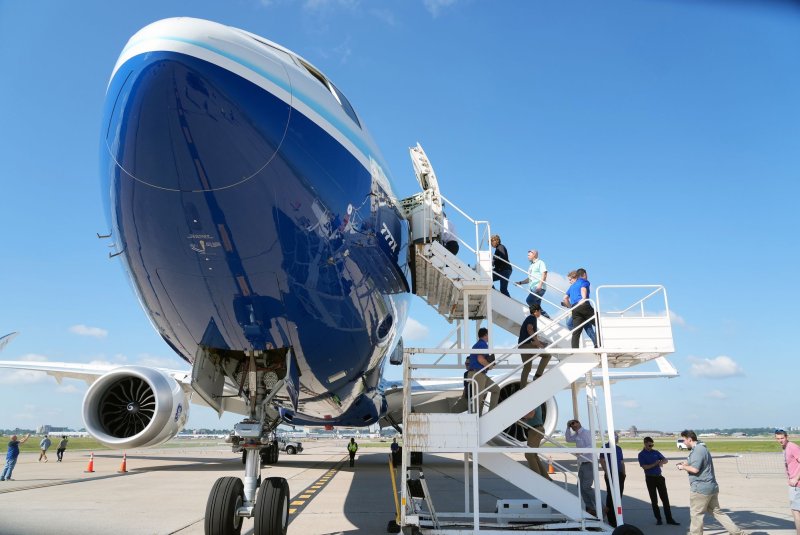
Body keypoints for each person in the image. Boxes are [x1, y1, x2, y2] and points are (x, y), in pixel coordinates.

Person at [677, 430, 746, 535]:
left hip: (700, 489)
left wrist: (682, 467)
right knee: (717, 512)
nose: (683, 442)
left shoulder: (697, 450)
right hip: (711, 487)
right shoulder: (701, 448)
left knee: (696, 514)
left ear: (689, 439)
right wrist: (687, 463)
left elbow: (695, 469)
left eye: (684, 440)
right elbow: (697, 463)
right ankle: (737, 532)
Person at [637, 437, 679, 526]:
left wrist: (661, 462)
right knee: (654, 500)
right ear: (645, 444)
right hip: (650, 478)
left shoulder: (656, 452)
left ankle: (669, 518)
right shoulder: (641, 454)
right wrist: (655, 464)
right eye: (649, 445)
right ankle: (658, 519)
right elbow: (645, 467)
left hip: (659, 478)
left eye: (652, 445)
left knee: (665, 499)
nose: (651, 446)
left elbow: (665, 460)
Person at [565, 419, 597, 517]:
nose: (573, 425)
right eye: (571, 425)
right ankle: (590, 507)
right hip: (582, 463)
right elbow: (568, 439)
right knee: (580, 487)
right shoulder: (577, 435)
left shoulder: (586, 433)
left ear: (579, 423)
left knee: (586, 487)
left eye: (574, 423)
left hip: (589, 462)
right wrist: (567, 427)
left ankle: (601, 506)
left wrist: (581, 452)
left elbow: (591, 445)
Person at [466, 328, 500, 415]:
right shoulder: (482, 344)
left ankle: (490, 414)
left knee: (496, 389)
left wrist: (488, 365)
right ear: (485, 335)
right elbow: (480, 359)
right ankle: (475, 419)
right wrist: (490, 365)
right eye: (488, 334)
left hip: (478, 373)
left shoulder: (478, 344)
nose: (489, 337)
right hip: (478, 374)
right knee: (478, 399)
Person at [564, 267, 597, 348]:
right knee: (599, 323)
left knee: (576, 331)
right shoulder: (584, 281)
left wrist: (570, 306)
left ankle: (574, 350)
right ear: (584, 274)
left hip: (575, 308)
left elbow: (565, 297)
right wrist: (583, 298)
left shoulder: (572, 286)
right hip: (583, 305)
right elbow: (583, 289)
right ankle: (598, 344)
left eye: (570, 279)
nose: (569, 281)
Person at [775, 429, 800, 534]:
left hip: (797, 484)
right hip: (793, 483)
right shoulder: (785, 447)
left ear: (787, 437)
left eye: (782, 438)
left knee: (795, 511)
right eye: (778, 439)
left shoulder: (792, 447)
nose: (780, 440)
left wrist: (796, 478)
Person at [600, 433, 626, 528]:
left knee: (618, 496)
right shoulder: (605, 447)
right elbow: (602, 460)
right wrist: (607, 472)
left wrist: (624, 473)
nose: (617, 438)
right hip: (610, 474)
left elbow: (622, 462)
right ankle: (612, 519)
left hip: (619, 474)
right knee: (611, 496)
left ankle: (617, 517)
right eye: (615, 437)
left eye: (617, 437)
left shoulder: (618, 448)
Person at [518, 305, 547, 388]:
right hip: (527, 346)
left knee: (527, 368)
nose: (540, 313)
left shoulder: (529, 318)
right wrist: (538, 343)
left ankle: (522, 388)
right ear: (536, 311)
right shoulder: (532, 318)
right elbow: (529, 329)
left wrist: (540, 342)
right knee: (547, 355)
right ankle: (538, 375)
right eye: (540, 311)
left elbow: (529, 337)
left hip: (522, 346)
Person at [515, 250, 549, 317]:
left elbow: (544, 274)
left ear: (534, 255)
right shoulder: (531, 266)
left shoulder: (540, 262)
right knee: (536, 306)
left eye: (529, 255)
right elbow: (530, 279)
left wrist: (540, 285)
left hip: (538, 287)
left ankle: (544, 314)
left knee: (529, 300)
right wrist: (520, 282)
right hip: (533, 287)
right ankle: (544, 316)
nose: (528, 257)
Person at [522, 403, 550, 479]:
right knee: (534, 455)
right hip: (534, 430)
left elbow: (530, 415)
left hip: (536, 430)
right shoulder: (535, 403)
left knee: (529, 455)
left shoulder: (534, 403)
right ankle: (545, 476)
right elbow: (530, 417)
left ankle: (537, 477)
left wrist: (519, 416)